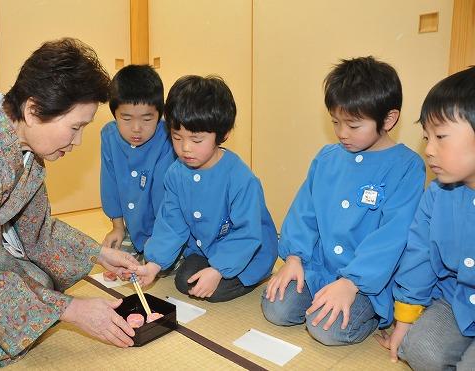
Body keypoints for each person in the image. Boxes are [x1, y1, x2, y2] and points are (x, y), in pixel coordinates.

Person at [0, 38, 140, 370]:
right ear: (33, 110)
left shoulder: (25, 149)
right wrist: (73, 310)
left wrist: (101, 254)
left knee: (40, 283)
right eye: (75, 127)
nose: (77, 142)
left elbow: (38, 230)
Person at [261, 56, 426, 345]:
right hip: (318, 269)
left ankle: (368, 315)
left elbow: (393, 237)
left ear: (388, 119)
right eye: (336, 122)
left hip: (366, 283)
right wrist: (294, 258)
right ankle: (320, 297)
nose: (341, 133)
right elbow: (304, 213)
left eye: (353, 125)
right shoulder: (327, 158)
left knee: (327, 329)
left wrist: (352, 283)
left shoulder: (407, 167)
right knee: (277, 308)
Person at [134, 75, 277, 302]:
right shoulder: (175, 173)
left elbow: (247, 233)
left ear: (223, 134)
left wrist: (218, 270)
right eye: (177, 137)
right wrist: (154, 264)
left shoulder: (240, 178)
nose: (185, 148)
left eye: (197, 140)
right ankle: (215, 268)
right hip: (207, 248)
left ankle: (246, 273)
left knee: (214, 291)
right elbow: (171, 222)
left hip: (248, 249)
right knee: (185, 282)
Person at [376, 66, 475, 370]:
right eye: (426, 137)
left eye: (441, 136)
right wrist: (405, 319)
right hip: (456, 299)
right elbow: (419, 254)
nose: (429, 150)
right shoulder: (437, 193)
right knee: (417, 350)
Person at [100, 64, 175, 259]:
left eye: (146, 119)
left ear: (160, 115)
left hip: (166, 229)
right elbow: (109, 184)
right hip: (132, 229)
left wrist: (160, 239)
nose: (136, 128)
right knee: (113, 257)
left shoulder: (168, 137)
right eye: (126, 118)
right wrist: (117, 227)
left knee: (158, 260)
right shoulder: (109, 135)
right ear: (114, 115)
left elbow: (164, 196)